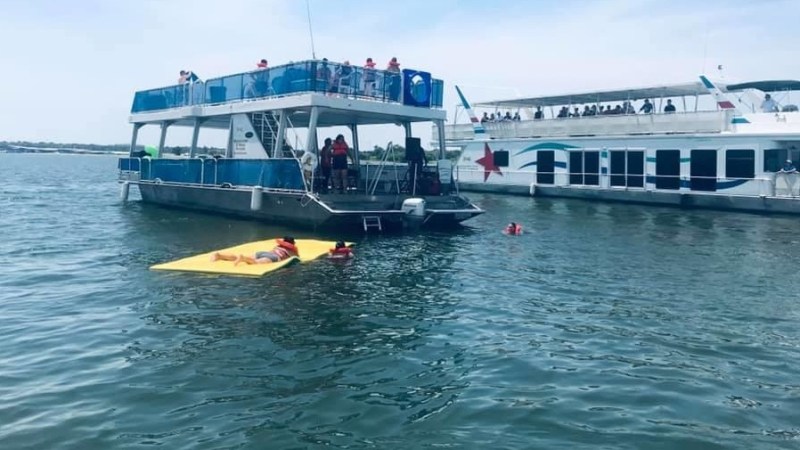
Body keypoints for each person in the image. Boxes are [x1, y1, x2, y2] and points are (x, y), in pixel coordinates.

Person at [210, 237, 299, 265]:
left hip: (264, 253)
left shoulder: (278, 246)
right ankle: (243, 258)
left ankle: (220, 255)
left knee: (239, 257)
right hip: (274, 257)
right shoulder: (292, 251)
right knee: (255, 262)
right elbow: (296, 257)